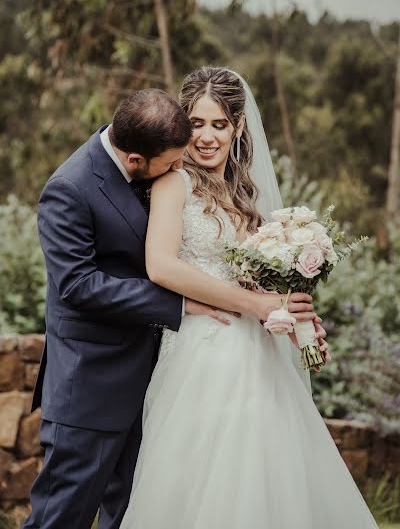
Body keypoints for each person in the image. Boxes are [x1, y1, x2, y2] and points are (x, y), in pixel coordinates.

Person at [23, 87, 322, 529]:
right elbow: (78, 285)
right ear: (135, 161)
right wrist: (182, 303)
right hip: (92, 383)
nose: (180, 165)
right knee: (62, 516)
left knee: (136, 515)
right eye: (171, 162)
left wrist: (292, 315)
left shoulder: (164, 169)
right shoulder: (69, 189)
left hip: (159, 377)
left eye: (219, 125)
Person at [120, 67, 378, 529]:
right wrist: (257, 306)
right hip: (200, 352)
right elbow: (161, 266)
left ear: (237, 127)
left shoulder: (247, 197)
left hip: (259, 354)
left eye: (218, 124)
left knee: (269, 476)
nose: (206, 137)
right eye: (196, 124)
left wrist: (294, 319)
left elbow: (257, 287)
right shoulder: (172, 185)